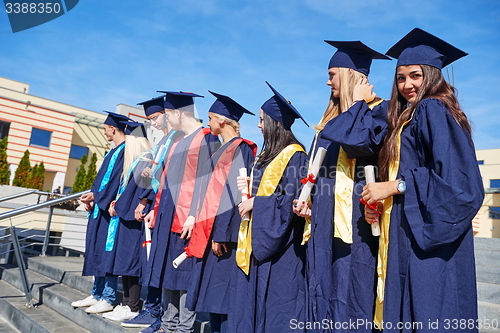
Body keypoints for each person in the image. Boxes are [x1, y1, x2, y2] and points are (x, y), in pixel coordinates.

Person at [361, 28, 484, 332]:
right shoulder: (408, 117)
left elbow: (458, 183)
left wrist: (393, 186)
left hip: (429, 239)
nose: (407, 85)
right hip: (407, 229)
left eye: (415, 75)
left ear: (431, 75)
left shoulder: (432, 109)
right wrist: (381, 201)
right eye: (400, 78)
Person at [292, 41, 390, 332]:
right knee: (323, 293)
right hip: (325, 226)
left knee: (354, 296)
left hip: (360, 228)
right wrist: (311, 201)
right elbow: (321, 172)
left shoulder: (380, 112)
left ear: (351, 75)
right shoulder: (330, 121)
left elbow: (361, 143)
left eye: (333, 74)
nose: (327, 81)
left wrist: (358, 103)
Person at [230, 82, 308, 333]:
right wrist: (251, 186)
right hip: (258, 243)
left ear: (275, 123)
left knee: (277, 310)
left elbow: (294, 199)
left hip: (282, 251)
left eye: (262, 119)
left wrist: (257, 203)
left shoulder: (295, 155)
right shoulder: (270, 155)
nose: (259, 124)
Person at [142, 91, 220, 333]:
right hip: (167, 215)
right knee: (167, 272)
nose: (166, 118)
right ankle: (167, 325)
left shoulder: (207, 139)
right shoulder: (176, 141)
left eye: (167, 113)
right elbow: (164, 180)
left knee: (184, 275)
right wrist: (155, 208)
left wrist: (195, 216)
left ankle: (184, 329)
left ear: (177, 113)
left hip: (187, 219)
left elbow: (208, 184)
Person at [185, 91, 257, 333]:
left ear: (223, 120)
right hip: (209, 231)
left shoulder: (241, 149)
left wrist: (221, 234)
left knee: (222, 296)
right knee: (212, 297)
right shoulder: (220, 150)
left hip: (223, 238)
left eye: (210, 118)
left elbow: (235, 194)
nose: (207, 123)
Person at [121, 96, 183, 333]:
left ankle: (160, 312)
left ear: (168, 115)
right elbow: (157, 173)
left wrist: (146, 197)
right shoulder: (163, 141)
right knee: (155, 261)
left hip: (170, 208)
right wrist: (145, 196)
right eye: (149, 119)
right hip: (158, 204)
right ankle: (156, 310)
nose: (153, 123)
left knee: (164, 263)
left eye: (155, 118)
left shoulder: (178, 138)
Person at [72, 111, 130, 313]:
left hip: (110, 212)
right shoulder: (112, 151)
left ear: (113, 128)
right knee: (96, 250)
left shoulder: (125, 152)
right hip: (100, 209)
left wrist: (98, 198)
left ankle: (108, 296)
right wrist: (92, 198)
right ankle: (96, 293)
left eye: (105, 128)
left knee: (107, 253)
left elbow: (116, 183)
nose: (104, 131)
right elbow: (101, 182)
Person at [100, 121, 153, 322]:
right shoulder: (136, 160)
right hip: (125, 215)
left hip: (135, 219)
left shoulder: (147, 159)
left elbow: (141, 192)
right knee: (124, 262)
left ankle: (133, 305)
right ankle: (126, 303)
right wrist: (117, 203)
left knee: (132, 263)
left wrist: (121, 205)